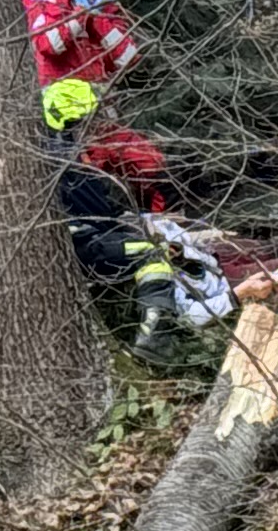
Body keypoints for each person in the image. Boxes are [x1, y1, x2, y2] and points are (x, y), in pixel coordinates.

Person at [44, 77, 232, 348]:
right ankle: (155, 338)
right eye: (87, 120)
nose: (93, 127)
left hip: (82, 239)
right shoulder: (70, 165)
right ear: (71, 121)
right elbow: (101, 214)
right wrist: (133, 222)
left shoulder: (58, 153)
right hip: (86, 244)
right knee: (151, 253)